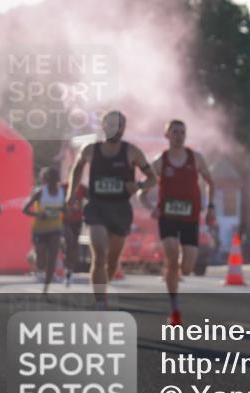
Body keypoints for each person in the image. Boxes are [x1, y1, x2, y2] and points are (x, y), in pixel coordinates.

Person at [67, 111, 157, 308]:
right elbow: (77, 168)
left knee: (112, 260)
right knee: (99, 255)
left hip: (120, 209)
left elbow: (153, 178)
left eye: (119, 125)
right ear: (103, 126)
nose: (114, 128)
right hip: (96, 208)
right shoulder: (90, 150)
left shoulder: (132, 152)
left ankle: (103, 287)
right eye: (110, 124)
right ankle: (100, 301)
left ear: (123, 128)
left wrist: (139, 186)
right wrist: (71, 194)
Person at [140, 119, 216, 326]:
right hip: (168, 218)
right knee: (173, 258)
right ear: (167, 136)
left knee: (187, 267)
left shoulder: (196, 158)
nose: (179, 136)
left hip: (190, 218)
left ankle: (172, 270)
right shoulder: (160, 162)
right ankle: (174, 310)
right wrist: (152, 208)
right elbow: (142, 193)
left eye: (182, 132)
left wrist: (211, 208)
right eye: (175, 132)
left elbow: (210, 182)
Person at [23, 167, 67, 297]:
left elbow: (65, 210)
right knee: (41, 262)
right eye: (50, 178)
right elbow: (25, 210)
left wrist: (66, 210)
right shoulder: (40, 192)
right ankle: (34, 256)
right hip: (40, 229)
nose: (53, 181)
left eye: (55, 178)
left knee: (53, 257)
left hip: (55, 228)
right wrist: (38, 214)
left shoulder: (62, 192)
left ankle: (46, 288)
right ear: (46, 179)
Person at [61, 180, 87, 287]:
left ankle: (69, 271)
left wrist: (86, 212)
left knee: (74, 246)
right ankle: (65, 266)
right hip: (64, 220)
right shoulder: (62, 187)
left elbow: (93, 199)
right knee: (69, 242)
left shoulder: (82, 188)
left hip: (77, 221)